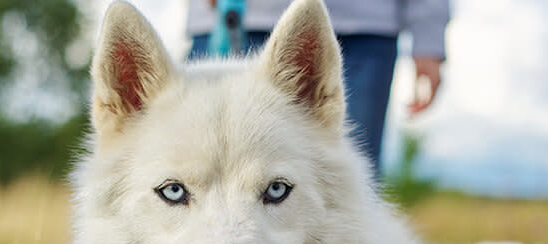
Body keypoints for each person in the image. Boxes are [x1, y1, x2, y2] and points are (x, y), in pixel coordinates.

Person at [186, 0, 450, 178]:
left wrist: (429, 32)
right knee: (199, 173)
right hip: (233, 18)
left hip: (367, 27)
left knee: (346, 180)